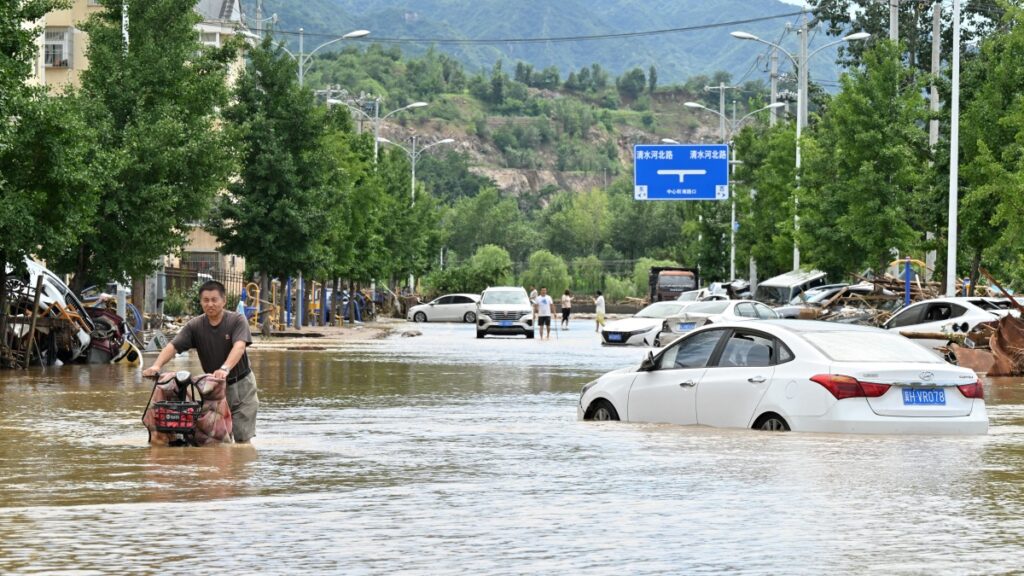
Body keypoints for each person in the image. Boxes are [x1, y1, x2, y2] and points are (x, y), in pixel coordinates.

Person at [143, 280, 258, 443]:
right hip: (213, 388)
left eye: (214, 299)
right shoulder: (195, 325)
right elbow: (173, 346)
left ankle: (240, 466)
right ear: (201, 302)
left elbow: (239, 347)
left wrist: (224, 369)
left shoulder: (237, 320)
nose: (210, 304)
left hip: (241, 385)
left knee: (241, 439)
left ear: (223, 301)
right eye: (206, 300)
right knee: (212, 438)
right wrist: (156, 365)